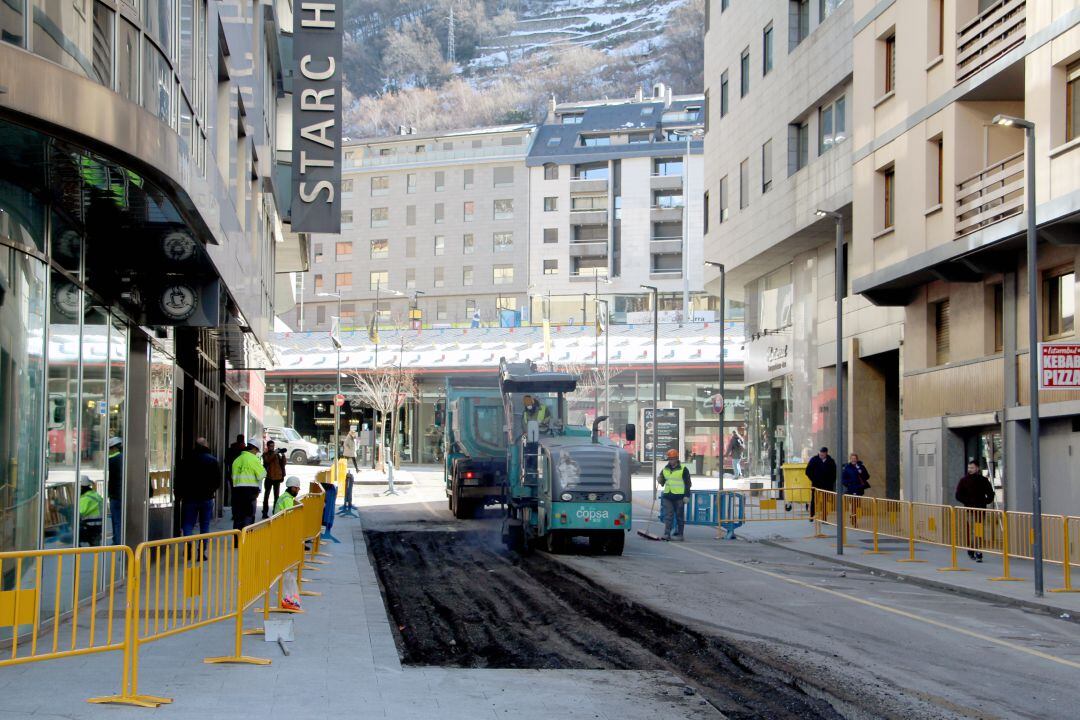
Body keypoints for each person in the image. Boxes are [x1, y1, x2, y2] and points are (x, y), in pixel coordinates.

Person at [177, 437, 220, 537]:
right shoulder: (212, 461)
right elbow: (217, 481)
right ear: (206, 445)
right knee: (205, 526)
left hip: (190, 497)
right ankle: (201, 550)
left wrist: (180, 493)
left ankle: (188, 547)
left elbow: (180, 478)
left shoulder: (186, 460)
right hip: (207, 497)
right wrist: (211, 491)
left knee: (188, 524)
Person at [955, 461, 995, 562]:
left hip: (980, 510)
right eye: (969, 468)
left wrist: (985, 501)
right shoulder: (964, 480)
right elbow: (958, 495)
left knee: (979, 530)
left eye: (972, 468)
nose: (970, 469)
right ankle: (974, 550)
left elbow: (990, 493)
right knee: (973, 530)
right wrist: (967, 502)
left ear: (977, 468)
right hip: (970, 510)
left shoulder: (983, 480)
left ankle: (977, 550)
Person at [231, 441, 265, 531]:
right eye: (257, 451)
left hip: (237, 492)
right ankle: (246, 542)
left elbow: (233, 477)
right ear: (254, 448)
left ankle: (237, 543)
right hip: (250, 493)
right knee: (248, 517)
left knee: (238, 518)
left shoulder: (237, 460)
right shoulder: (254, 460)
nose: (257, 453)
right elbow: (262, 475)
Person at [658, 449, 691, 541]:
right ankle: (666, 534)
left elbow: (688, 483)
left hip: (679, 496)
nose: (671, 461)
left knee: (680, 516)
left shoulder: (683, 469)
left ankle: (680, 534)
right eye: (670, 459)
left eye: (673, 459)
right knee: (668, 515)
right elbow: (663, 481)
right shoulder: (665, 469)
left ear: (677, 458)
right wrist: (660, 480)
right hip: (668, 496)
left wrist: (687, 496)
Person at [805, 446, 837, 521]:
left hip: (827, 485)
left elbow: (834, 473)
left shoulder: (830, 461)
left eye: (823, 453)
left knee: (825, 501)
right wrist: (813, 479)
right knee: (814, 499)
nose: (821, 454)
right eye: (820, 453)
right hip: (816, 484)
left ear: (826, 453)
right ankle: (812, 516)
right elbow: (808, 471)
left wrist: (831, 482)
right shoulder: (814, 459)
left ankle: (824, 517)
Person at [261, 440, 287, 519]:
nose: (272, 447)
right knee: (266, 496)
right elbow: (267, 460)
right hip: (269, 478)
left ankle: (275, 512)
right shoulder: (265, 454)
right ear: (268, 446)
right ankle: (265, 512)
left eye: (273, 446)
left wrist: (283, 455)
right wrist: (274, 453)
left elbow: (283, 464)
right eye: (271, 446)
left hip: (277, 478)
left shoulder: (277, 455)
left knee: (276, 496)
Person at [106, 437, 123, 543]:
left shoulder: (111, 461)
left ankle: (118, 541)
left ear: (114, 448)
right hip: (124, 495)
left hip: (115, 496)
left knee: (117, 521)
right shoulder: (127, 459)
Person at [78, 476, 103, 546]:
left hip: (89, 524)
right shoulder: (96, 495)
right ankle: (94, 538)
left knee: (75, 525)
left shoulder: (85, 498)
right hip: (100, 524)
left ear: (81, 487)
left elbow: (80, 512)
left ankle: (78, 542)